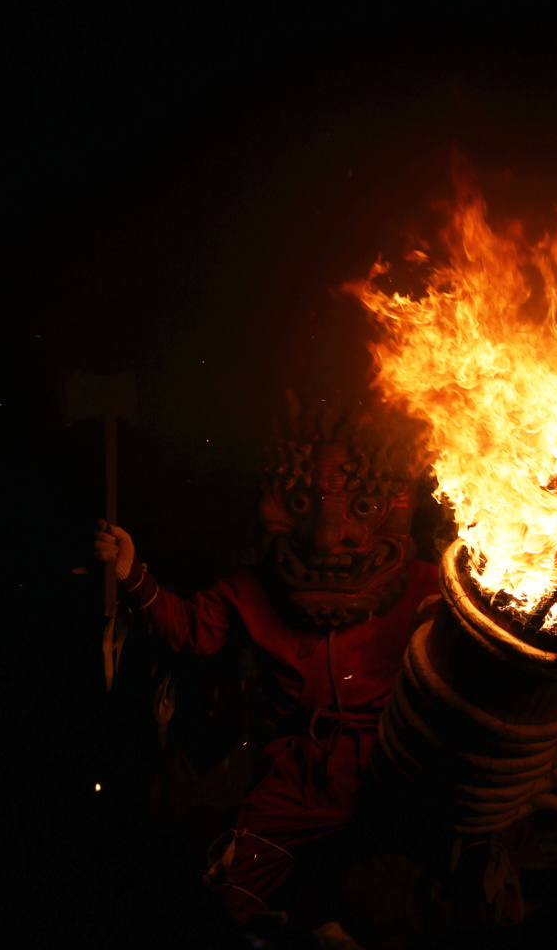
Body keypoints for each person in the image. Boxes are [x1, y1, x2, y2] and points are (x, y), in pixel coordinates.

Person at [94, 390, 442, 925]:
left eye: (364, 507)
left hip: (394, 767)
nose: (327, 539)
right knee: (228, 892)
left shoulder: (432, 589)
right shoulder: (255, 590)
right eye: (302, 504)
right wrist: (131, 571)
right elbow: (193, 631)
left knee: (416, 893)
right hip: (296, 775)